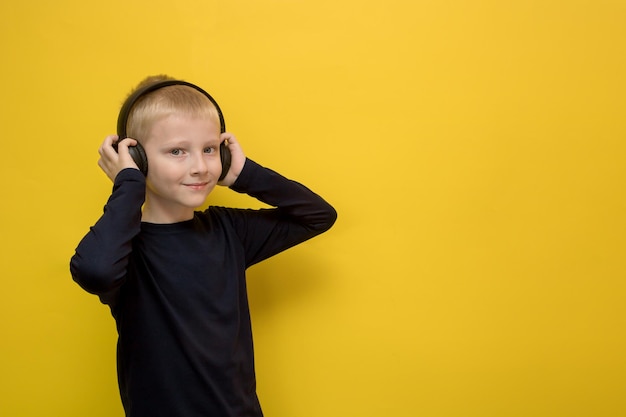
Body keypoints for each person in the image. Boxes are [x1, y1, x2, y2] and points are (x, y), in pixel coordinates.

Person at [70, 75, 337, 417]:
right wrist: (128, 185)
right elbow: (94, 271)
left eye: (209, 150)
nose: (199, 167)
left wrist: (244, 173)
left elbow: (318, 215)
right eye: (177, 151)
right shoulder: (124, 247)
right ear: (137, 158)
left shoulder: (230, 230)